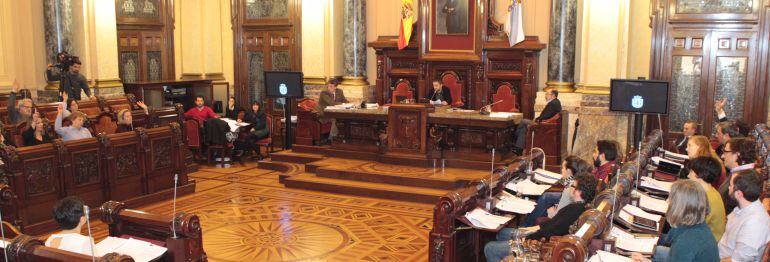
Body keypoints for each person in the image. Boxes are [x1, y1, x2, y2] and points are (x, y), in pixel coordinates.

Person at [484, 172, 598, 262]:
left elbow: (549, 232)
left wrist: (525, 237)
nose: (570, 188)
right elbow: (553, 224)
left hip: (539, 246)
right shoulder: (579, 207)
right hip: (541, 237)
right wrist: (529, 229)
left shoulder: (574, 210)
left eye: (573, 186)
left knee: (490, 248)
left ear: (579, 191)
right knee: (502, 233)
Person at [632, 179, 720, 262]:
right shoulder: (698, 225)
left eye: (671, 199)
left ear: (679, 207)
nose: (667, 202)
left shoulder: (686, 241)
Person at [520, 156, 592, 227]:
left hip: (560, 218)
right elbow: (561, 182)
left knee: (545, 198)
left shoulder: (570, 188)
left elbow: (559, 213)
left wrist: (552, 213)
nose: (561, 170)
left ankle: (525, 226)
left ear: (569, 171)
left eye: (563, 168)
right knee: (547, 196)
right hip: (564, 208)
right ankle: (527, 223)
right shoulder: (574, 178)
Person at [718, 170, 770, 261]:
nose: (728, 188)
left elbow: (738, 260)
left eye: (731, 186)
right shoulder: (743, 207)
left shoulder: (755, 223)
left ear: (739, 194)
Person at [687, 156, 726, 242]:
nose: (688, 175)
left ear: (699, 174)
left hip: (701, 248)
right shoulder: (712, 193)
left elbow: (691, 228)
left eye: (691, 172)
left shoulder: (706, 199)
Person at [512, 89, 561, 155]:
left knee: (523, 121)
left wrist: (536, 119)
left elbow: (546, 116)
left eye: (547, 94)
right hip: (544, 123)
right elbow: (547, 115)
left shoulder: (553, 103)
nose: (545, 96)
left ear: (553, 95)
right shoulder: (555, 102)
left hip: (542, 125)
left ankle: (514, 136)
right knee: (524, 129)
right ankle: (518, 149)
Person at [718, 137, 756, 214]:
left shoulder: (744, 178)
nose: (722, 156)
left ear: (737, 154)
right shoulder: (739, 172)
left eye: (725, 152)